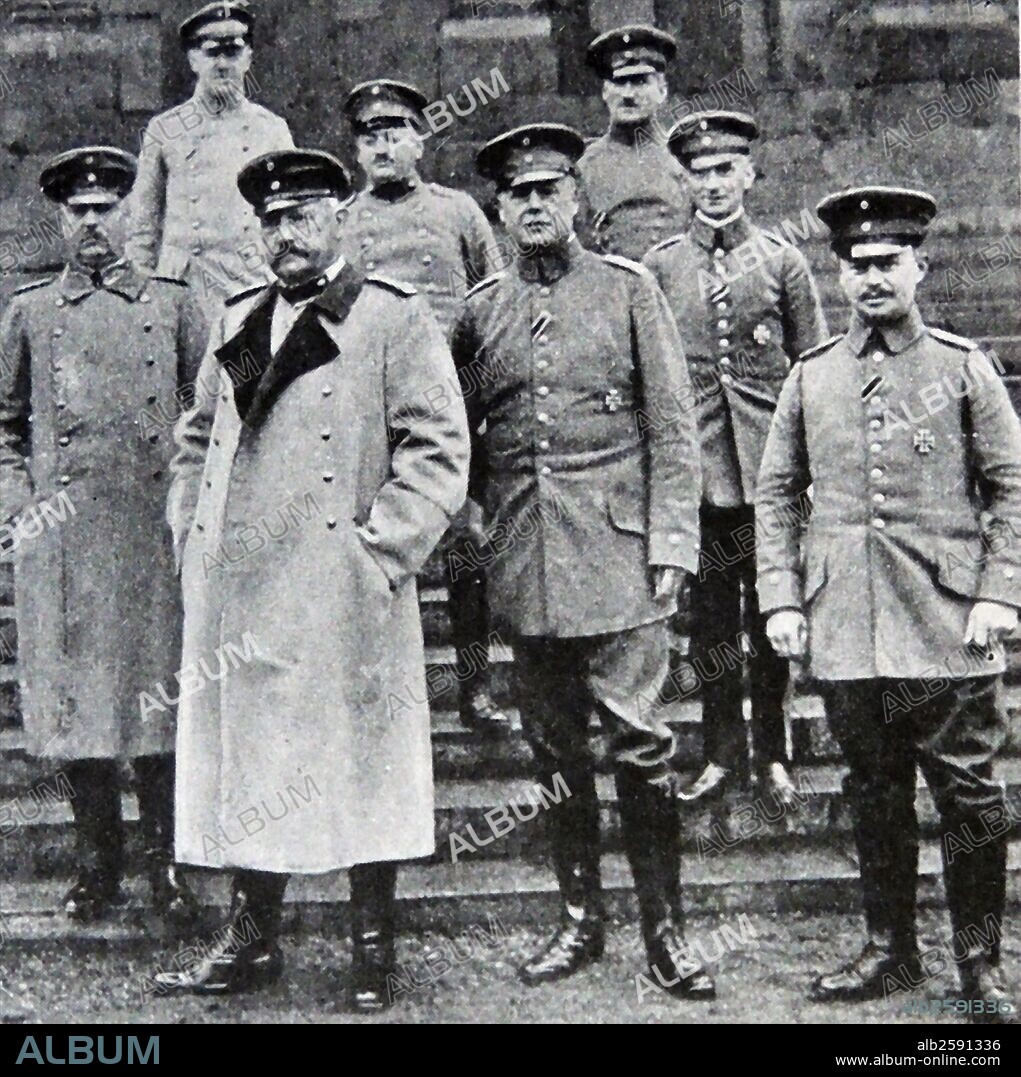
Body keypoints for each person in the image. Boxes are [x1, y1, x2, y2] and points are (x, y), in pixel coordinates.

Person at [154, 149, 469, 1011]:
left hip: (342, 589)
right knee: (254, 763)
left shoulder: (388, 315)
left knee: (365, 761)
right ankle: (252, 940)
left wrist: (379, 553)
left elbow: (437, 451)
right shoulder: (240, 317)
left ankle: (373, 947)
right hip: (242, 590)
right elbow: (198, 434)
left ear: (338, 218)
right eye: (271, 221)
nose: (283, 235)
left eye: (300, 217)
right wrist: (190, 531)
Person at [453, 123, 713, 999]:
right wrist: (473, 525)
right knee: (553, 750)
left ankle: (666, 930)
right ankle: (578, 918)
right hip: (525, 562)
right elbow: (459, 436)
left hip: (621, 558)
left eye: (548, 190)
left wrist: (673, 540)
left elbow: (672, 427)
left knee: (640, 746)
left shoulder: (628, 290)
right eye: (517, 194)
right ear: (499, 209)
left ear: (574, 199)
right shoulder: (480, 311)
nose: (534, 205)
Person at [756, 186, 1020, 1022]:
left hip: (947, 622)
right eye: (857, 264)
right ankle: (888, 949)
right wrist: (781, 597)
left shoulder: (961, 366)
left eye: (887, 262)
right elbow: (775, 494)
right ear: (838, 275)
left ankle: (978, 961)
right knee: (872, 790)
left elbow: (1011, 485)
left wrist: (998, 590)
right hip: (847, 623)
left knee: (968, 796)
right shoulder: (811, 375)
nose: (871, 277)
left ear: (918, 267)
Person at [0, 147, 206, 924]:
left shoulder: (175, 305)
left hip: (154, 537)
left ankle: (167, 863)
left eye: (106, 207)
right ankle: (97, 864)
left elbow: (208, 416)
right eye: (78, 209)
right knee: (79, 706)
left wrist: (193, 509)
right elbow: (4, 426)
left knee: (159, 705)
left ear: (129, 214)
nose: (92, 221)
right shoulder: (30, 312)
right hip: (65, 543)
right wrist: (20, 505)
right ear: (61, 219)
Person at [643, 112, 828, 805]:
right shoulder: (660, 267)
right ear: (683, 182)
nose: (713, 184)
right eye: (699, 173)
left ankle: (773, 753)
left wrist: (810, 469)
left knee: (773, 612)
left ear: (749, 174)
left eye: (725, 170)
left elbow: (814, 370)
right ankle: (721, 752)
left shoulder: (783, 262)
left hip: (771, 474)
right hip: (698, 476)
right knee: (712, 624)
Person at [338, 78, 508, 734]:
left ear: (419, 141)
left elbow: (494, 302)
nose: (383, 148)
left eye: (395, 134)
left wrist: (484, 394)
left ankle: (477, 690)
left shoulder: (458, 212)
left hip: (451, 403)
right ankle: (376, 699)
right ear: (358, 152)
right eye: (370, 138)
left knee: (466, 547)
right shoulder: (343, 221)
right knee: (376, 547)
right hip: (370, 405)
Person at [127, 1, 293, 317]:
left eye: (232, 52)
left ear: (248, 57)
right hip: (182, 289)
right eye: (211, 53)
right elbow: (142, 229)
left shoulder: (271, 129)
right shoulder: (165, 129)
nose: (222, 64)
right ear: (193, 59)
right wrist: (141, 303)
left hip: (251, 284)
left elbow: (290, 220)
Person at [576, 24, 687, 261]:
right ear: (605, 92)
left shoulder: (683, 160)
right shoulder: (583, 167)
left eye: (639, 82)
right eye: (619, 82)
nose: (627, 94)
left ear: (662, 90)